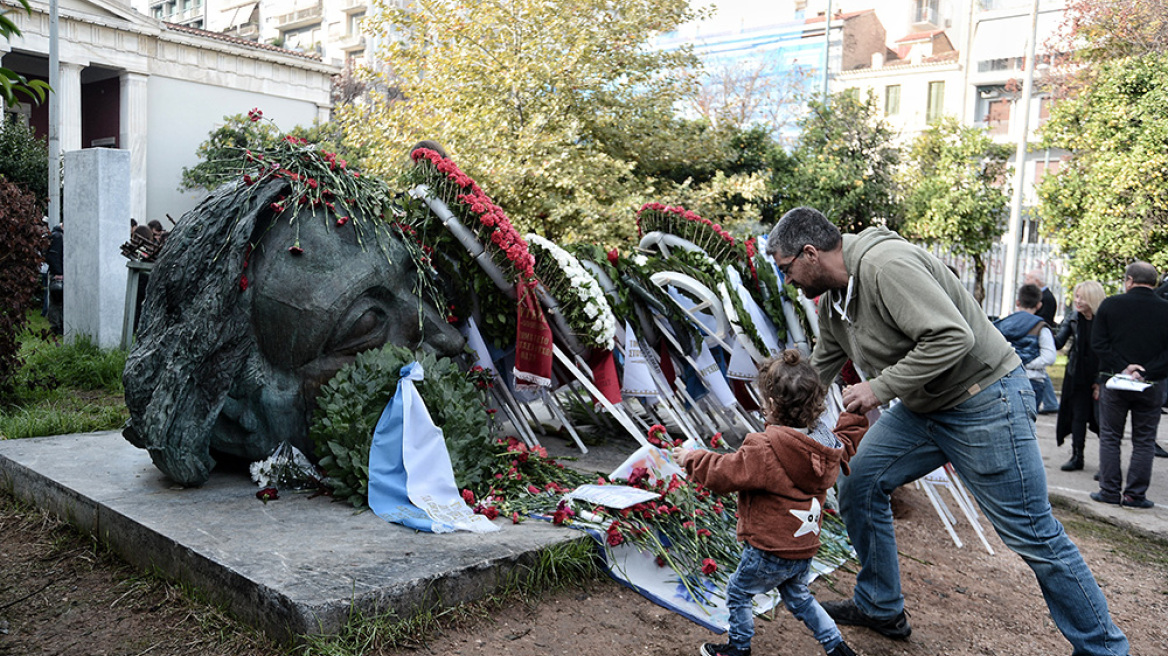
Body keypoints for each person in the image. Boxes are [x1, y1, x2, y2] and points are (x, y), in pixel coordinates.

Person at [765, 207, 1129, 656]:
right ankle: (881, 605)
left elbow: (952, 337)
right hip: (925, 407)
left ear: (810, 254)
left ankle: (1104, 649)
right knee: (859, 481)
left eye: (786, 270)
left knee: (1033, 534)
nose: (788, 282)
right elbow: (821, 365)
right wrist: (776, 428)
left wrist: (878, 388)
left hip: (985, 400)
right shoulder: (835, 301)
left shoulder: (885, 267)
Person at [672, 349, 867, 656]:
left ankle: (739, 648)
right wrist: (855, 413)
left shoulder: (764, 448)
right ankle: (837, 647)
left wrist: (691, 458)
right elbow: (848, 439)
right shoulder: (826, 444)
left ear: (772, 404)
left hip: (769, 547)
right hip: (804, 546)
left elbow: (724, 474)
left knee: (738, 593)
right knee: (800, 597)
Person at [1089, 262, 1168, 508]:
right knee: (1144, 440)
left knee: (1111, 437)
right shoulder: (1165, 310)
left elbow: (1099, 343)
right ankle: (1135, 494)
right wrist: (1146, 371)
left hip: (1115, 381)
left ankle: (1110, 491)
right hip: (1151, 384)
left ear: (1129, 280)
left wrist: (1124, 367)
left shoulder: (1111, 305)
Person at [1053, 281, 1106, 471]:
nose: (1077, 301)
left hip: (1100, 375)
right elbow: (1058, 342)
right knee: (1078, 416)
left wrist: (1100, 381)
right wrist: (1043, 327)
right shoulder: (1074, 318)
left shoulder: (1104, 319)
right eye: (1076, 296)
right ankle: (1077, 456)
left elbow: (1109, 352)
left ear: (1092, 298)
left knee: (1102, 421)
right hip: (1077, 375)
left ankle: (1107, 464)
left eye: (1081, 297)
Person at [993, 283, 1056, 403]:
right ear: (1039, 305)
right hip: (1032, 380)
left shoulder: (1002, 324)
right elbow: (1049, 357)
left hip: (1004, 378)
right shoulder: (1041, 327)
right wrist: (1027, 363)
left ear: (1017, 302)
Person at [1024, 268, 1061, 414]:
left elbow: (1044, 319)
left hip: (1039, 336)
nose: (1026, 282)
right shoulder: (1044, 296)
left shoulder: (1046, 297)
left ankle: (1051, 402)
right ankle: (1051, 401)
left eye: (1028, 279)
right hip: (1039, 334)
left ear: (1036, 281)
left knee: (1040, 370)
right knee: (1041, 372)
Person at [45, 220, 64, 335]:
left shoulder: (55, 235)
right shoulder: (57, 236)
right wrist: (58, 272)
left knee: (57, 300)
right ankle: (57, 327)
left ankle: (57, 326)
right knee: (57, 301)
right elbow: (53, 255)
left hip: (57, 272)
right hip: (58, 274)